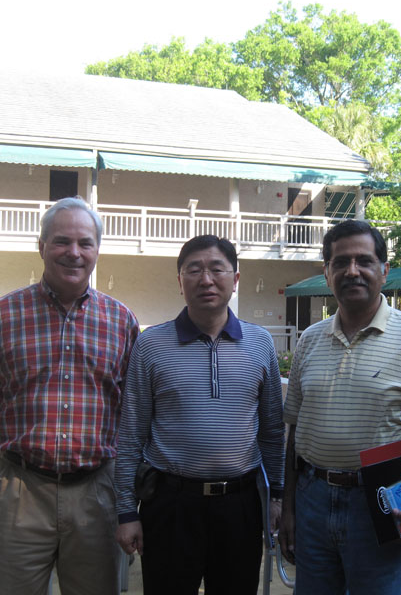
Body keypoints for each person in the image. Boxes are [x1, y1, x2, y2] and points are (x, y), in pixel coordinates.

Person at [0, 196, 139, 595]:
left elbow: (130, 405)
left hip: (96, 493)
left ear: (97, 250)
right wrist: (22, 428)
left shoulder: (122, 321)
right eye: (61, 241)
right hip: (19, 489)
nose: (74, 252)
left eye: (85, 243)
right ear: (41, 247)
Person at [278, 220, 401, 595]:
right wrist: (288, 509)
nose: (352, 271)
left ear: (384, 270)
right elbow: (295, 431)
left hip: (387, 504)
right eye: (340, 262)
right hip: (312, 500)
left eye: (364, 261)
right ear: (327, 273)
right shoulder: (309, 340)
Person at [114, 235, 285, 595]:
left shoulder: (260, 343)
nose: (206, 279)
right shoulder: (150, 345)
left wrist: (276, 498)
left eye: (216, 269)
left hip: (240, 504)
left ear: (235, 279)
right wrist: (127, 512)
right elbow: (130, 435)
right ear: (180, 281)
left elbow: (272, 431)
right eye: (194, 270)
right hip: (170, 504)